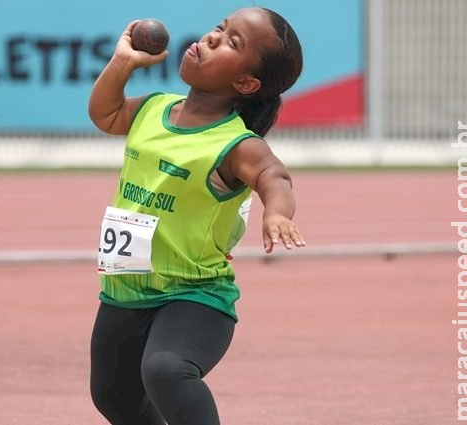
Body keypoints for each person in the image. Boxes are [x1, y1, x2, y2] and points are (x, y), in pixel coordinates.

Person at [88, 7, 305, 425]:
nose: (211, 37)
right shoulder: (154, 109)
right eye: (220, 28)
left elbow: (273, 175)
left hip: (194, 294)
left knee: (166, 369)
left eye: (231, 42)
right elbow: (105, 114)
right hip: (125, 286)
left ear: (245, 82)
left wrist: (277, 213)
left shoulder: (235, 143)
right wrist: (123, 63)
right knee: (113, 397)